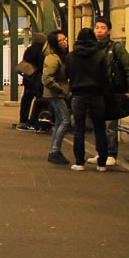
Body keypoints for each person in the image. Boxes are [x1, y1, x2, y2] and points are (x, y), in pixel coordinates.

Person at [66, 27, 109, 171]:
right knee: (99, 128)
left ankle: (79, 162)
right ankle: (102, 163)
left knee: (79, 129)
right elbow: (105, 76)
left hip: (78, 94)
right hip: (97, 95)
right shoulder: (100, 55)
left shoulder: (71, 56)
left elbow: (68, 73)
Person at [89, 16, 129, 166]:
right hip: (96, 91)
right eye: (97, 27)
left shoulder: (116, 48)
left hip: (113, 91)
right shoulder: (93, 48)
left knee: (110, 124)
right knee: (98, 123)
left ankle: (111, 153)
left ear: (109, 30)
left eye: (103, 28)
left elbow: (127, 67)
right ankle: (101, 153)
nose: (99, 31)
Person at [41, 30, 70, 164]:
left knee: (60, 121)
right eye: (61, 41)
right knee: (65, 121)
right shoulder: (52, 58)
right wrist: (62, 91)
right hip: (56, 94)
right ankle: (54, 150)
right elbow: (47, 79)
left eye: (65, 39)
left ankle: (54, 150)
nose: (65, 42)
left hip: (57, 94)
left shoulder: (59, 57)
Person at [16, 32, 46, 131]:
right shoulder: (43, 51)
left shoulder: (29, 50)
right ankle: (35, 121)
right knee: (38, 101)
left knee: (26, 101)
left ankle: (23, 120)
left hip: (28, 79)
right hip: (38, 80)